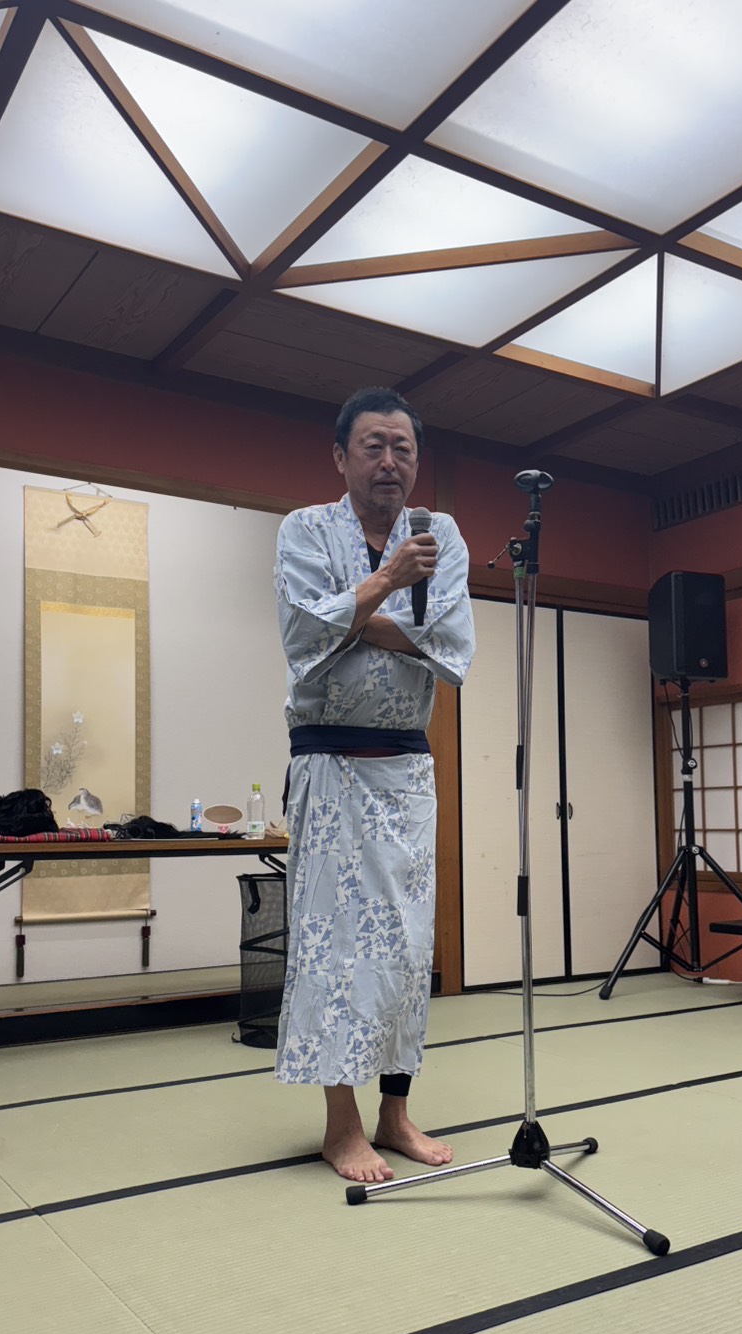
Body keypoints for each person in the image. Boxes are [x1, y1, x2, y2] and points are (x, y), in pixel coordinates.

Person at [273, 387, 476, 1183]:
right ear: (340, 455)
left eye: (403, 448)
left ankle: (395, 1111)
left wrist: (356, 616)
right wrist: (389, 580)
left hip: (406, 768)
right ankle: (341, 1124)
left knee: (407, 944)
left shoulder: (440, 533)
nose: (389, 461)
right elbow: (302, 633)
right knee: (332, 945)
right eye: (373, 446)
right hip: (329, 764)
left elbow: (448, 641)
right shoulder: (304, 530)